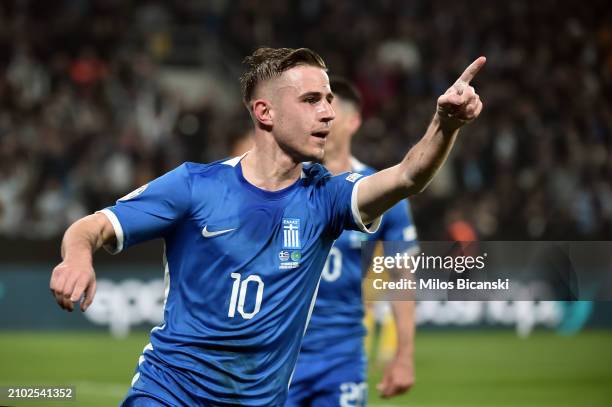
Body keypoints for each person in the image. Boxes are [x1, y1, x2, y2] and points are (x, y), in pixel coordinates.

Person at [49, 47, 485, 406]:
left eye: (330, 99)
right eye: (312, 100)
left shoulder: (326, 198)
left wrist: (444, 125)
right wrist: (77, 258)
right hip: (169, 393)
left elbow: (409, 176)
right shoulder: (193, 185)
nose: (328, 113)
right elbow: (92, 227)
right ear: (265, 112)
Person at [287, 77, 418, 406]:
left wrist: (404, 354)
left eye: (332, 112)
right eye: (316, 110)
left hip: (341, 355)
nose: (324, 119)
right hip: (279, 352)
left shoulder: (382, 191)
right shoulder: (282, 184)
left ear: (354, 121)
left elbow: (402, 277)